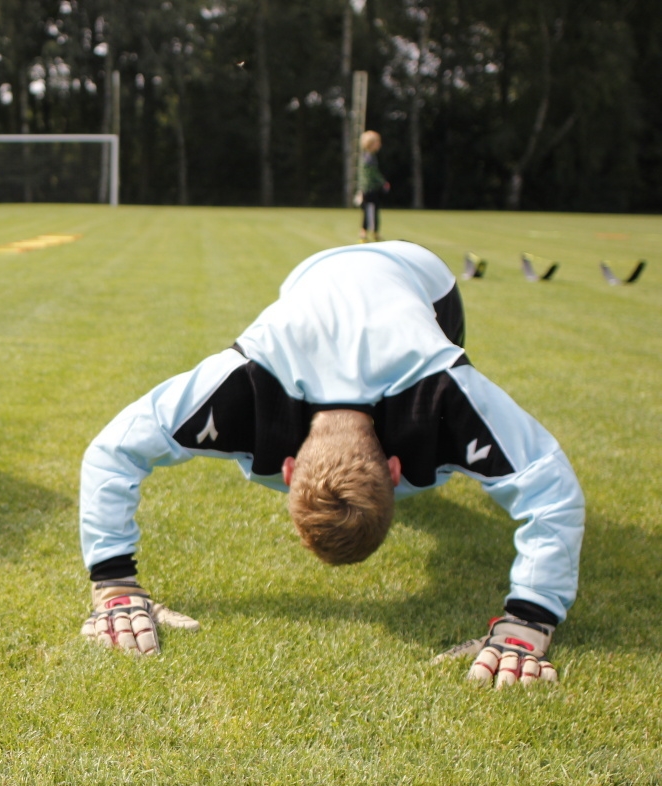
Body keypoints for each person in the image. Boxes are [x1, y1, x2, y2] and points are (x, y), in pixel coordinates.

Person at [79, 241, 584, 688]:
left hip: (424, 280)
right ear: (394, 469)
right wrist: (115, 586)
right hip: (311, 277)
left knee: (471, 442)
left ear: (288, 469)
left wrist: (527, 623)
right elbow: (112, 450)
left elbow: (550, 484)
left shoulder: (443, 385)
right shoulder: (247, 376)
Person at [355, 130, 390, 243]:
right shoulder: (369, 158)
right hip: (369, 190)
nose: (379, 144)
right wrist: (383, 182)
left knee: (368, 211)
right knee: (371, 211)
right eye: (377, 142)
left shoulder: (367, 156)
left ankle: (367, 233)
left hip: (366, 189)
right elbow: (373, 174)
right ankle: (369, 234)